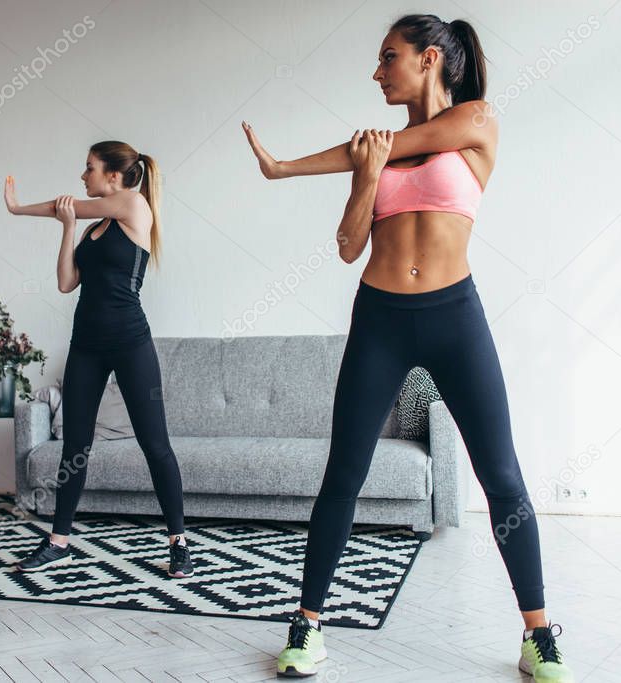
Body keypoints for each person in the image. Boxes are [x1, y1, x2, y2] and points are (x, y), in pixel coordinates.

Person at [242, 14, 573, 682]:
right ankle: (307, 624)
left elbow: (396, 143)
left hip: (454, 314)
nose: (375, 71)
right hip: (381, 317)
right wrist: (361, 174)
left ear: (429, 59)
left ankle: (538, 634)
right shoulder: (379, 148)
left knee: (502, 475)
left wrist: (291, 167)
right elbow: (345, 247)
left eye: (386, 57)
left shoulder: (475, 121)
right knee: (343, 472)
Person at [3, 141, 193, 580]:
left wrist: (18, 208)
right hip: (86, 345)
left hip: (130, 342)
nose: (83, 176)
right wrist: (67, 227)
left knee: (155, 445)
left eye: (89, 168)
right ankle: (58, 542)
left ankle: (179, 543)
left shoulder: (133, 203)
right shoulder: (95, 229)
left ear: (113, 175)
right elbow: (67, 282)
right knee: (75, 446)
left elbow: (62, 203)